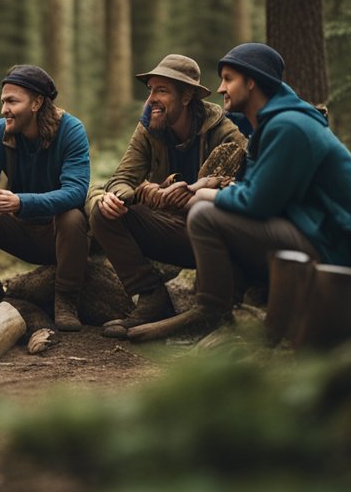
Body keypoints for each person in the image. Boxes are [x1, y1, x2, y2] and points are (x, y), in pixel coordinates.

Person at [135, 42, 351, 340]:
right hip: (319, 238)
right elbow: (262, 192)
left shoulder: (290, 127)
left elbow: (258, 202)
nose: (220, 89)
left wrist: (206, 193)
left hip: (343, 262)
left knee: (205, 213)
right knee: (216, 214)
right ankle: (238, 309)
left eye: (228, 79)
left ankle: (211, 312)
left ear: (252, 81)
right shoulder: (271, 127)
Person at [90, 54, 246, 336]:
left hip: (211, 236)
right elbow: (120, 180)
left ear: (186, 96)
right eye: (150, 90)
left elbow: (246, 188)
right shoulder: (150, 126)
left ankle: (221, 304)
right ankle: (151, 296)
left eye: (161, 91)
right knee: (103, 211)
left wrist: (197, 192)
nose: (151, 100)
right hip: (167, 228)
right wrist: (141, 193)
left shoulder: (224, 131)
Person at [0, 65, 90, 329]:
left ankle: (66, 301)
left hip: (58, 236)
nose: (4, 109)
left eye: (12, 101)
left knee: (72, 217)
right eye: (3, 101)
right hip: (18, 230)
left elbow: (76, 191)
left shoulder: (71, 130)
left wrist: (21, 201)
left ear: (37, 103)